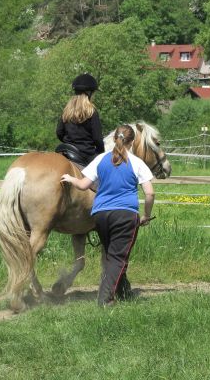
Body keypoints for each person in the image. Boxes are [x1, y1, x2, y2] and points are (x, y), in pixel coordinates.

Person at [61, 124, 155, 306]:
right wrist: (146, 215)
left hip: (100, 215)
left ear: (114, 139)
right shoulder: (136, 162)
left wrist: (71, 179)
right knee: (117, 258)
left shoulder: (100, 159)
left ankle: (123, 290)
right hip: (125, 215)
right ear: (132, 142)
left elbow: (83, 185)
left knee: (112, 255)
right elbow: (150, 193)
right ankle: (105, 299)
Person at [56, 73, 105, 166]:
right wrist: (101, 152)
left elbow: (59, 132)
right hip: (86, 154)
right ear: (89, 93)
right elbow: (97, 139)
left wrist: (69, 142)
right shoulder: (92, 112)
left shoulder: (67, 110)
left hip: (66, 149)